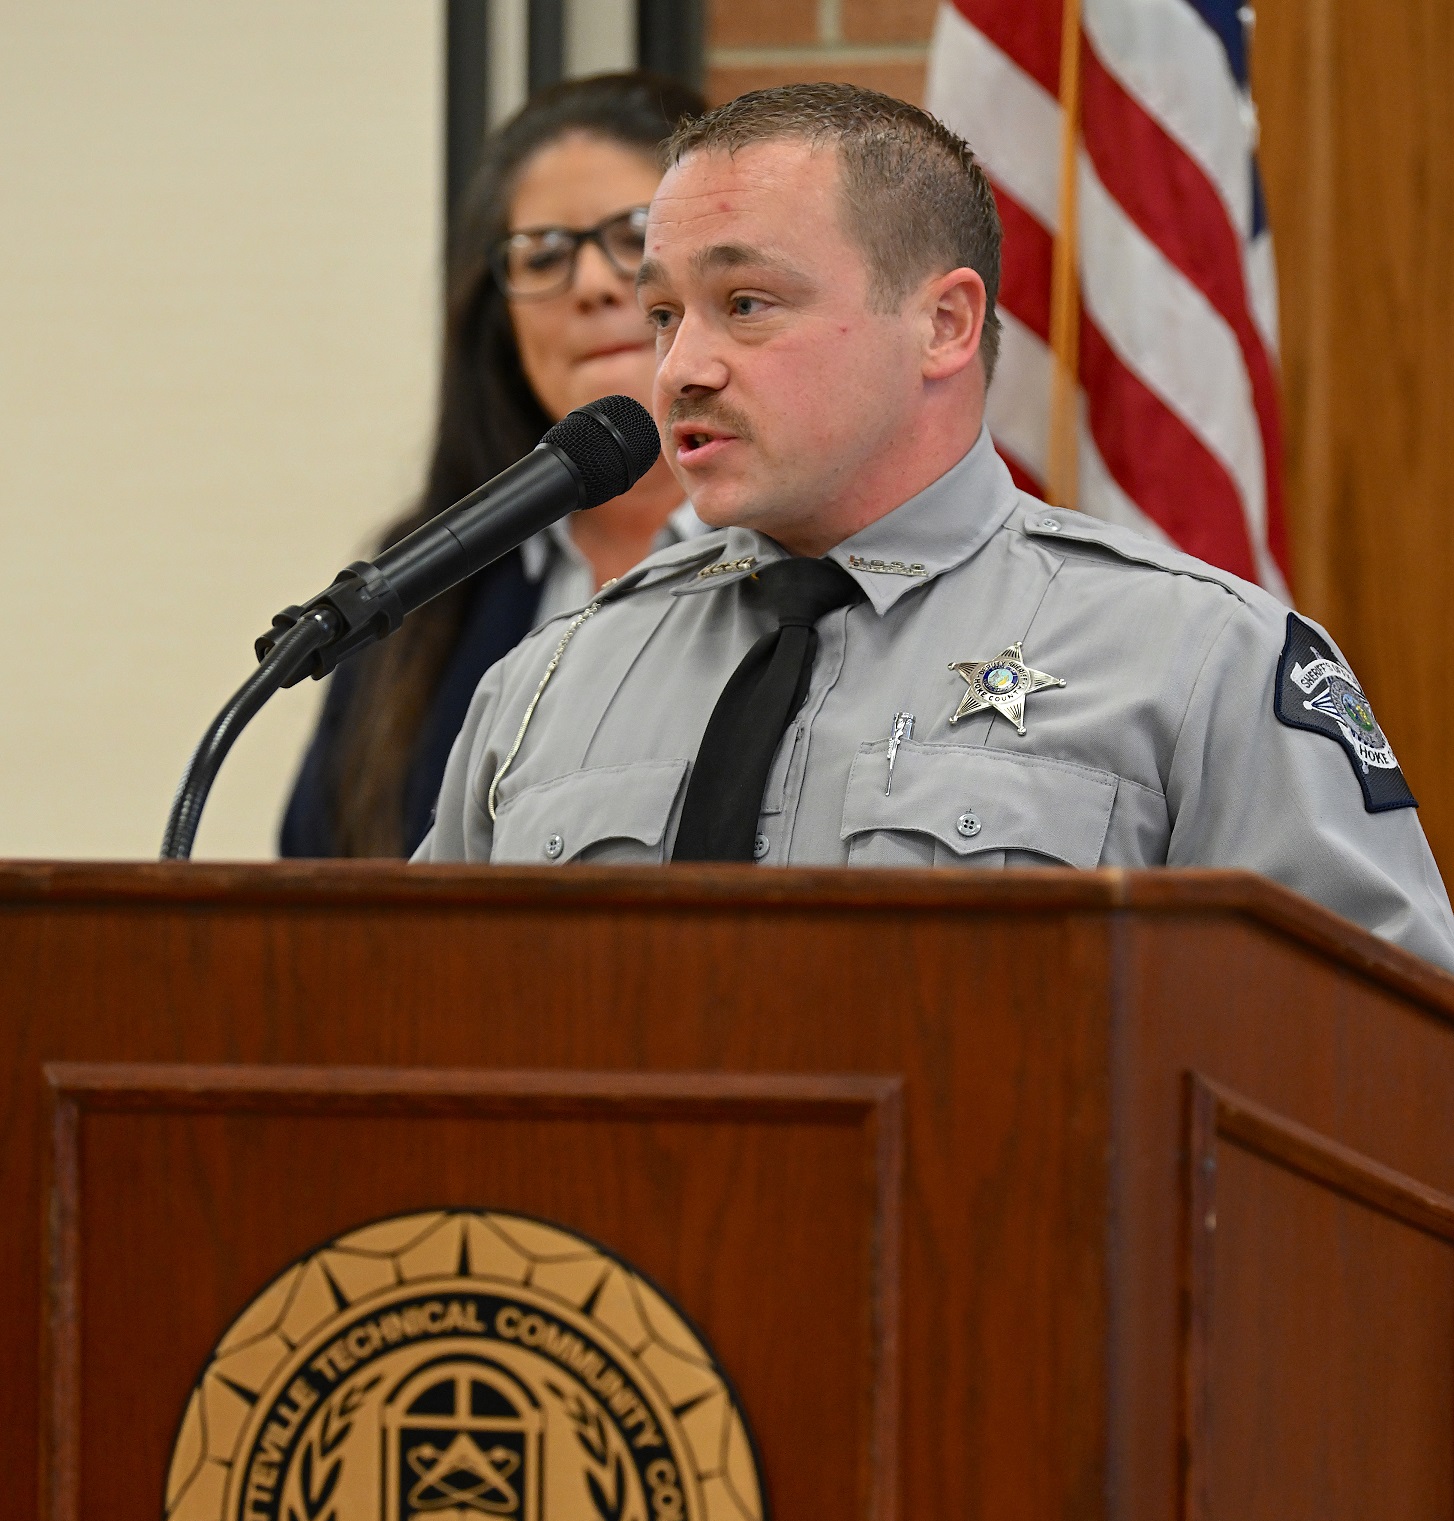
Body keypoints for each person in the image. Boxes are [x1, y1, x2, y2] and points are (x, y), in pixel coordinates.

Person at [416, 83, 1454, 973]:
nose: (681, 366)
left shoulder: (1196, 664)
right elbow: (410, 1036)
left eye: (744, 303)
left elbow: (1375, 1078)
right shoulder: (547, 685)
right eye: (663, 316)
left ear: (943, 325)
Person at [280, 71, 705, 857]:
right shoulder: (420, 583)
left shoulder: (804, 547)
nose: (590, 284)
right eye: (542, 257)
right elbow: (319, 878)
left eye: (636, 235)